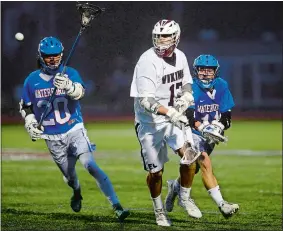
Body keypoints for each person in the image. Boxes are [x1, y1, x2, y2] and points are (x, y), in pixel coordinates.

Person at [19, 36, 130, 221]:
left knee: (89, 164)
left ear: (62, 55)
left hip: (74, 128)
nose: (53, 59)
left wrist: (69, 86)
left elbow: (80, 92)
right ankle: (77, 191)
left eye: (56, 55)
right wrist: (30, 122)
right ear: (41, 56)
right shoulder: (32, 80)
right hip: (52, 137)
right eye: (48, 56)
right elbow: (25, 105)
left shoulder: (69, 73)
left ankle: (116, 205)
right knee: (70, 177)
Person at [130, 19, 202, 227]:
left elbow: (187, 80)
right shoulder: (147, 61)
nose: (161, 40)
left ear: (176, 37)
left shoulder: (180, 56)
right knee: (156, 173)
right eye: (158, 36)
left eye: (166, 36)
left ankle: (185, 198)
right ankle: (159, 210)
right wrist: (169, 111)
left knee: (190, 158)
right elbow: (145, 101)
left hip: (174, 119)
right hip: (151, 124)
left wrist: (187, 95)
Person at [165, 54, 240, 218]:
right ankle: (222, 204)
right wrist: (205, 127)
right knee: (204, 160)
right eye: (202, 70)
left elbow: (227, 116)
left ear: (216, 72)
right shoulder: (190, 87)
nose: (206, 73)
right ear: (196, 71)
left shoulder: (221, 85)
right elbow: (190, 117)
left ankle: (175, 187)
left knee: (194, 169)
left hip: (208, 136)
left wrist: (218, 127)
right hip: (191, 132)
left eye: (209, 70)